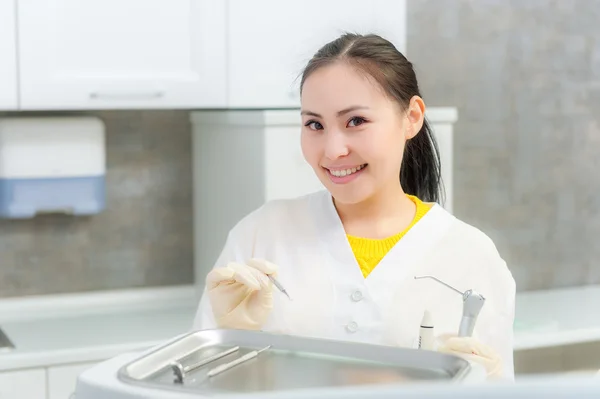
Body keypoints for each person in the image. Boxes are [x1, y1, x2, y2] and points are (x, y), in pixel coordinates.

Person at [192, 33, 516, 381]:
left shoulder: (472, 257)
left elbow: (498, 382)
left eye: (356, 121)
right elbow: (196, 386)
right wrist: (230, 344)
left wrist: (478, 385)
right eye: (314, 124)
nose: (333, 151)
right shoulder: (260, 235)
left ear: (412, 117)